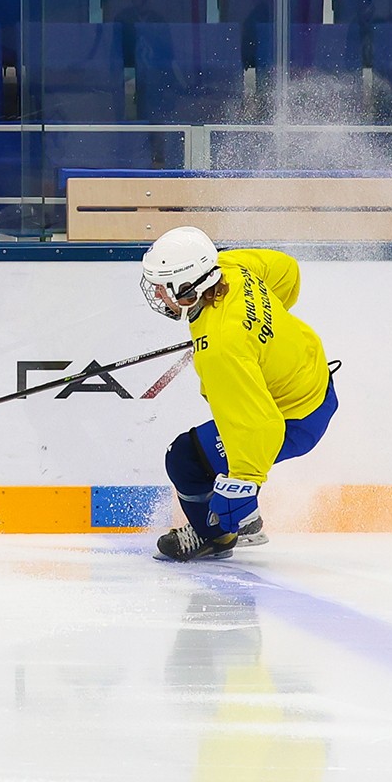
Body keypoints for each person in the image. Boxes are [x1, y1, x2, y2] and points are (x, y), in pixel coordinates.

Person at [140, 226, 336, 561]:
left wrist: (243, 482)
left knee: (184, 459)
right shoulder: (230, 268)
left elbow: (260, 425)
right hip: (313, 378)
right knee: (199, 451)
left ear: (188, 288)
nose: (157, 294)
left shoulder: (222, 349)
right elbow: (286, 272)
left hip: (296, 418)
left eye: (162, 286)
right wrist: (260, 333)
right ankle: (222, 524)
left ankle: (215, 535)